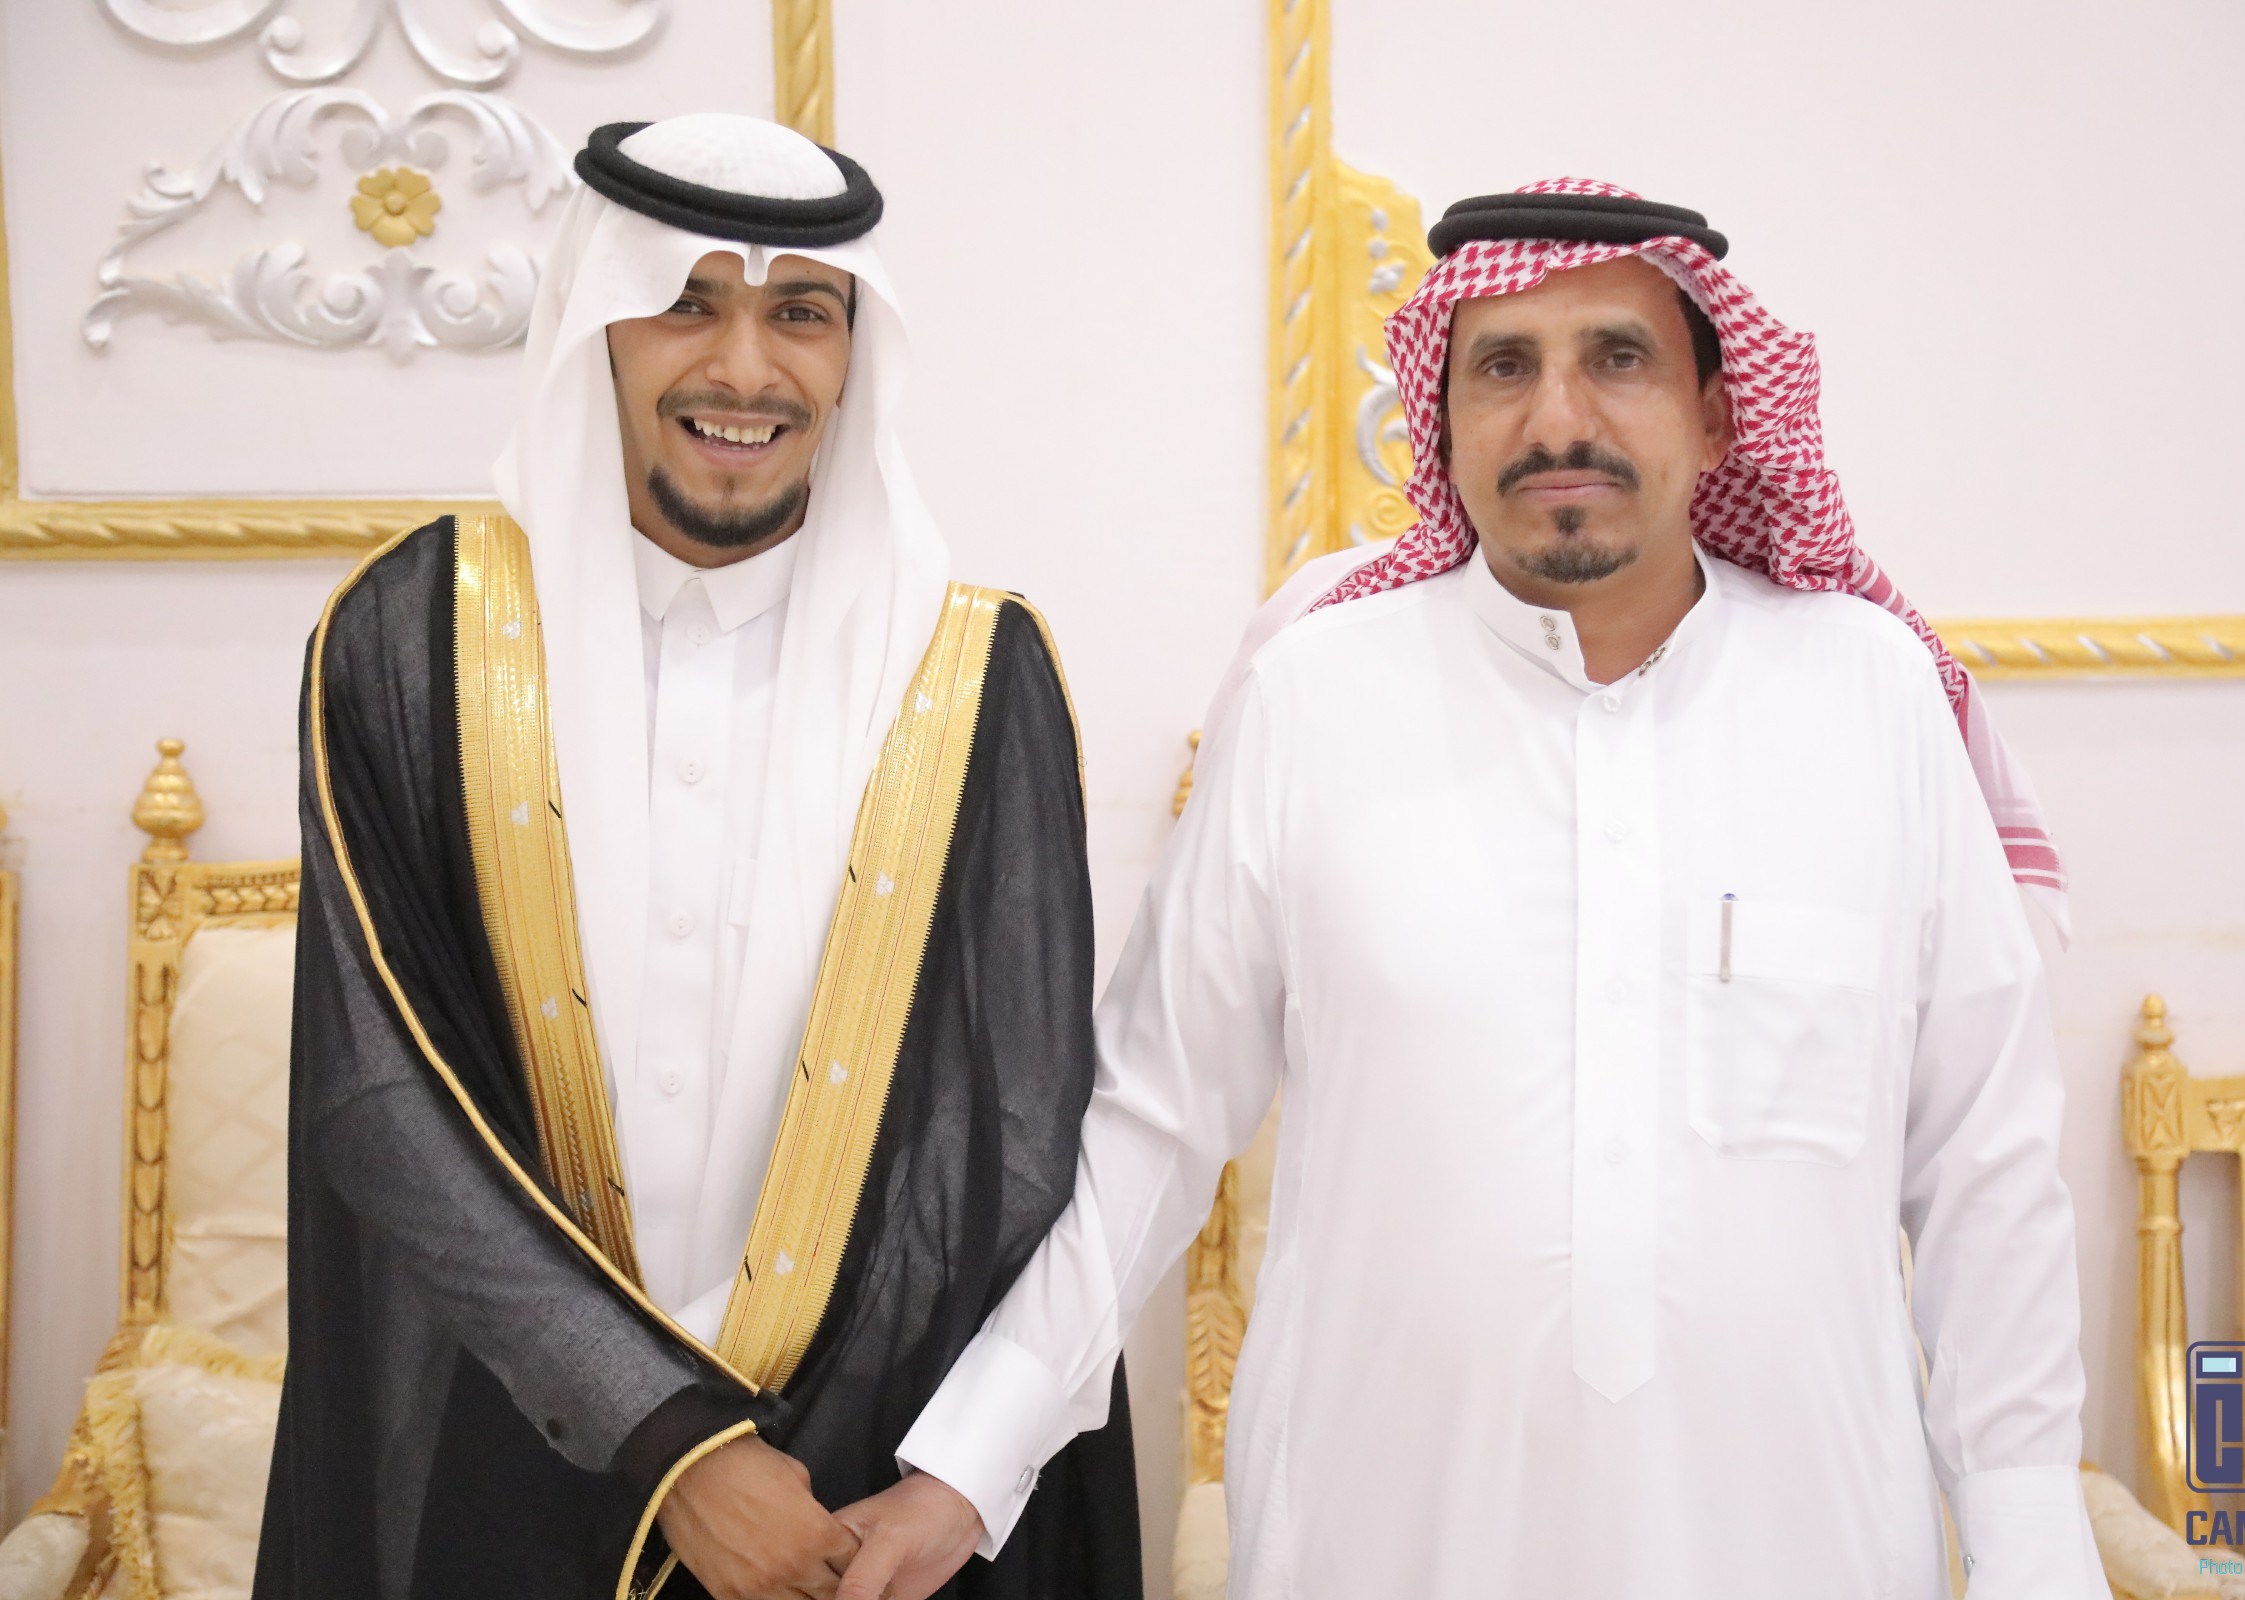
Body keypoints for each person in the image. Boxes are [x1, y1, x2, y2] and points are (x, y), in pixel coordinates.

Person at [880, 180, 2108, 1598]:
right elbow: (1152, 1123)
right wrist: (969, 1463)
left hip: (1799, 1544)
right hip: (1380, 1543)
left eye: (1619, 358)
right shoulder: (1316, 696)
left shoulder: (1869, 695)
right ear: (1442, 418)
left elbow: (1984, 1163)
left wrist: (2033, 1546)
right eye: (1505, 367)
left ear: (1719, 415)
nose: (1557, 419)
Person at [257, 113, 1139, 1600]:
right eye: (685, 303)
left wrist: (860, 1478)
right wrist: (669, 1440)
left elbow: (1015, 1123)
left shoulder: (974, 673)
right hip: (514, 1456)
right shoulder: (411, 637)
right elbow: (378, 1097)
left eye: (801, 312)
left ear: (854, 354)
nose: (744, 368)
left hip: (861, 1510)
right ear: (594, 329)